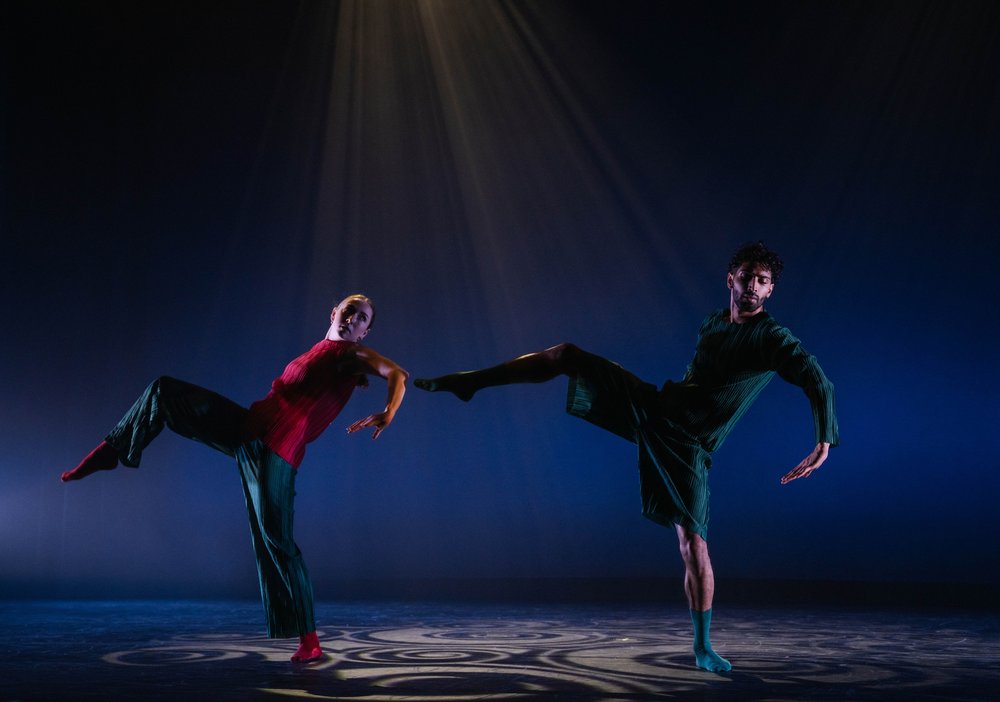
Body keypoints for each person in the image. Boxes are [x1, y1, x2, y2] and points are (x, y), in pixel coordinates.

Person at [415, 241, 838, 673]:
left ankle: (702, 648)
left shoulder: (771, 337)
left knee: (693, 545)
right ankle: (472, 382)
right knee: (566, 355)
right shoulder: (713, 322)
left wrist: (824, 438)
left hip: (688, 446)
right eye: (747, 277)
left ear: (770, 291)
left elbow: (816, 379)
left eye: (763, 281)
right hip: (656, 410)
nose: (753, 286)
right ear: (731, 279)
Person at [61, 294, 408, 663]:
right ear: (334, 312)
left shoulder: (351, 355)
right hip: (247, 428)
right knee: (165, 391)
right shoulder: (319, 350)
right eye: (350, 311)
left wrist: (388, 412)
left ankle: (310, 641)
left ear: (364, 332)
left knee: (278, 543)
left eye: (362, 318)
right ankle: (114, 450)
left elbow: (398, 375)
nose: (353, 319)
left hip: (275, 452)